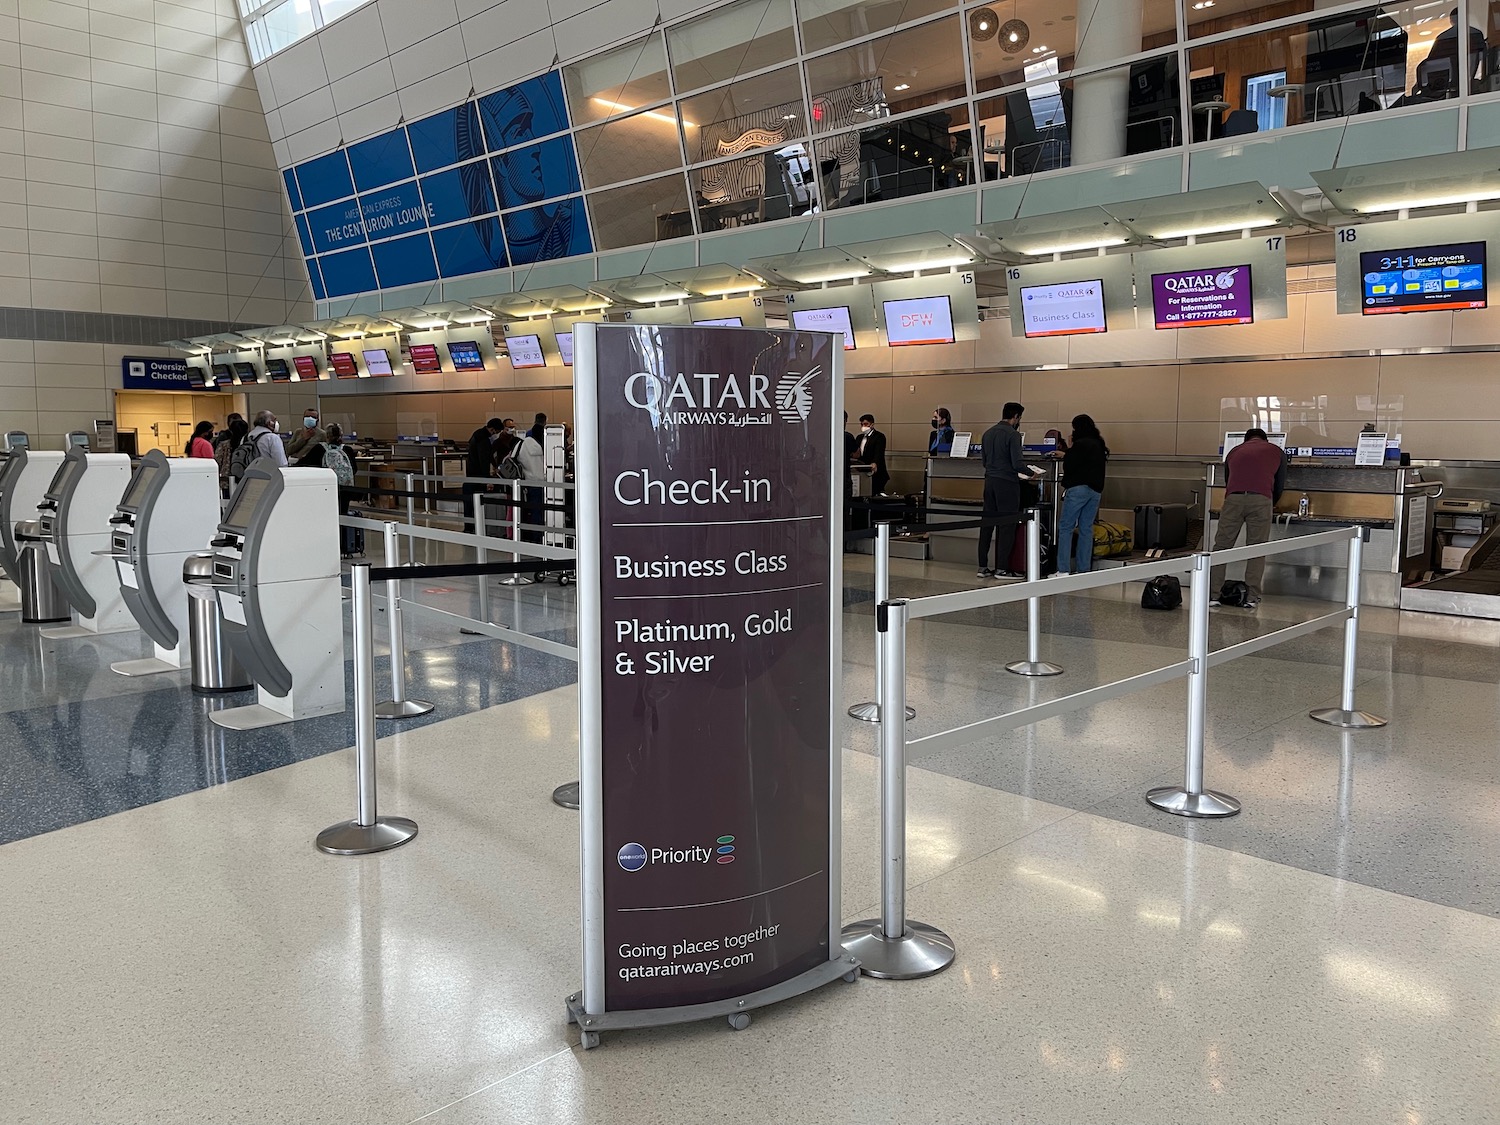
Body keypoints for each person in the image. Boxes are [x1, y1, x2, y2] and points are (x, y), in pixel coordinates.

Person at [1209, 428, 1286, 610]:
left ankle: (1213, 595)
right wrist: (1269, 501)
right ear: (1265, 439)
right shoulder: (1276, 451)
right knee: (1256, 548)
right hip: (1261, 499)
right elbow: (1280, 483)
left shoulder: (1234, 452)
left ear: (1246, 440)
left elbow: (1228, 481)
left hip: (1233, 500)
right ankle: (1251, 597)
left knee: (1221, 547)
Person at [1053, 414, 1109, 576]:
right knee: (1086, 528)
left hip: (1078, 489)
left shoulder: (1080, 444)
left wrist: (1069, 448)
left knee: (1066, 527)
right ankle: (1083, 569)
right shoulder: (1098, 443)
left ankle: (1063, 569)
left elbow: (1071, 465)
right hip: (1095, 491)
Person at [978, 402, 1026, 579]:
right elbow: (1017, 463)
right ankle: (1002, 569)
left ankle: (982, 567)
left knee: (987, 524)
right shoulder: (1013, 435)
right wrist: (1032, 473)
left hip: (989, 481)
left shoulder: (988, 433)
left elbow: (984, 461)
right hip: (1007, 483)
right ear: (1016, 417)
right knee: (1007, 525)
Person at [464, 417, 505, 533]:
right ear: (492, 429)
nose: (496, 435)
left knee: (470, 502)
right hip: (478, 475)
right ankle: (474, 526)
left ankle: (470, 526)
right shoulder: (483, 440)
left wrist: (494, 464)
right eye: (496, 432)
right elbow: (483, 460)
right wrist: (487, 479)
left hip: (471, 473)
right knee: (476, 502)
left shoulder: (477, 434)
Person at [516, 425, 546, 543]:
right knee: (542, 510)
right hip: (544, 482)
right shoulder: (542, 446)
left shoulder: (521, 445)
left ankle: (534, 536)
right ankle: (542, 534)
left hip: (529, 482)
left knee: (533, 510)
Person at [852, 414, 889, 494]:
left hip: (875, 470)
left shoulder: (879, 437)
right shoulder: (859, 437)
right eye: (862, 424)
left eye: (866, 424)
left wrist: (875, 462)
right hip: (861, 468)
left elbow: (879, 452)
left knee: (874, 491)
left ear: (872, 424)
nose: (863, 426)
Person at [215, 416, 248, 495]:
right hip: (245, 480)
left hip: (226, 481)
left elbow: (217, 461)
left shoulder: (224, 445)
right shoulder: (249, 445)